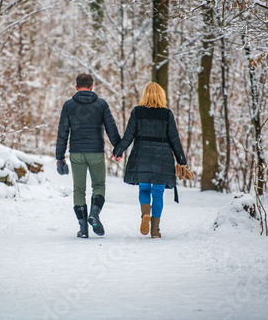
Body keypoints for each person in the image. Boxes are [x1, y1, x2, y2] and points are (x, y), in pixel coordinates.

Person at [112, 82, 188, 238]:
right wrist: (182, 160)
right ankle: (155, 230)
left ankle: (145, 213)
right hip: (163, 157)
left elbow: (128, 136)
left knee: (144, 189)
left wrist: (118, 151)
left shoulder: (137, 112)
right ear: (161, 96)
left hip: (142, 155)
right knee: (158, 193)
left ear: (144, 95)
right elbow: (174, 139)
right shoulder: (167, 114)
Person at [56, 73, 121, 238]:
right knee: (98, 186)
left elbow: (62, 133)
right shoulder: (101, 105)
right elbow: (111, 128)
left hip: (76, 152)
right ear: (92, 87)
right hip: (96, 152)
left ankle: (83, 228)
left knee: (79, 189)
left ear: (76, 87)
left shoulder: (69, 105)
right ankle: (94, 214)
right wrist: (118, 149)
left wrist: (59, 157)